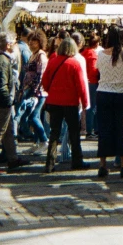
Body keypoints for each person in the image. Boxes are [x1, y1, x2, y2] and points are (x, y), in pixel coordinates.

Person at [0, 33, 28, 175]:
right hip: (2, 104)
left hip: (3, 102)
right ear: (8, 45)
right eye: (13, 42)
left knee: (7, 132)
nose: (15, 44)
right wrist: (8, 101)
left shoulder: (2, 59)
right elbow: (2, 85)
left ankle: (13, 158)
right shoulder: (2, 61)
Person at [42, 38, 89, 172]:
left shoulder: (52, 62)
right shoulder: (74, 64)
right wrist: (85, 103)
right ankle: (77, 160)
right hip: (70, 102)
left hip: (54, 101)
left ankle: (49, 163)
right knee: (74, 133)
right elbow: (81, 86)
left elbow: (45, 82)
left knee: (54, 133)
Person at [96, 26, 123, 178]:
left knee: (104, 129)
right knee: (122, 130)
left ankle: (103, 164)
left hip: (104, 93)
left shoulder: (101, 55)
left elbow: (98, 70)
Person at [22, 30, 49, 147]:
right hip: (30, 89)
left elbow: (41, 75)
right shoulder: (33, 54)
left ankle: (44, 140)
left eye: (34, 41)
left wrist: (35, 91)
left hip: (38, 92)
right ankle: (38, 143)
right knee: (32, 117)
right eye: (30, 41)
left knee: (33, 117)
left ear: (40, 42)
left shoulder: (41, 56)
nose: (31, 44)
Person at [80, 33, 100, 139]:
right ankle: (90, 131)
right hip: (92, 82)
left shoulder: (84, 53)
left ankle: (91, 129)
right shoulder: (92, 54)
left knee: (87, 106)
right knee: (92, 107)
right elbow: (93, 70)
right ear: (97, 43)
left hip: (85, 81)